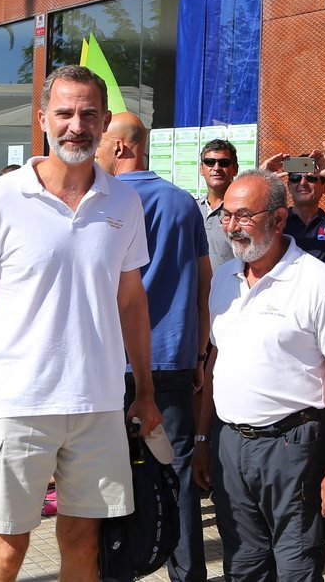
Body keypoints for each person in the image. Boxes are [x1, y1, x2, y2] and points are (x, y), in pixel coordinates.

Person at [0, 65, 162, 582]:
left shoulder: (124, 201)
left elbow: (131, 303)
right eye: (64, 112)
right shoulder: (1, 199)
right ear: (42, 119)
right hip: (18, 405)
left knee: (83, 542)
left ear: (106, 122)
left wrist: (146, 392)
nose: (76, 125)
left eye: (89, 114)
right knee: (5, 547)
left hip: (98, 404)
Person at [193, 169, 325, 581]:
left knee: (296, 565)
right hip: (230, 444)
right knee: (244, 563)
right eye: (228, 216)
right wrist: (203, 438)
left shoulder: (318, 283)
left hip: (294, 448)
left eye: (245, 216)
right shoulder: (224, 281)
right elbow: (216, 363)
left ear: (280, 219)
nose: (232, 227)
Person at [95, 111, 211, 582]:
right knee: (176, 475)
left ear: (122, 148)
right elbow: (203, 284)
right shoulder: (184, 203)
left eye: (102, 143)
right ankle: (187, 575)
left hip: (111, 363)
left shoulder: (106, 202)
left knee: (106, 473)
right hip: (174, 360)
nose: (97, 152)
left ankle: (116, 567)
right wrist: (200, 353)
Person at [260, 148, 325, 274]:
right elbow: (240, 214)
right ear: (289, 187)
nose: (303, 183)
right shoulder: (276, 221)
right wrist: (259, 178)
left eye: (311, 178)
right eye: (296, 177)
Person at [196, 139, 238, 273]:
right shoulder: (193, 209)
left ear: (235, 169)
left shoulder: (242, 212)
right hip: (199, 292)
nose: (216, 168)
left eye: (224, 162)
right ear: (201, 169)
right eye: (210, 162)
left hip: (233, 292)